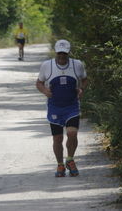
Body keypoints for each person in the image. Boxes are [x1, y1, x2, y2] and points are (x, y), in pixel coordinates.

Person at [36, 39, 88, 177]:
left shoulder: (77, 65)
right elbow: (39, 82)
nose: (61, 56)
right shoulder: (47, 66)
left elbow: (84, 79)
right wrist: (45, 91)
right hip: (55, 107)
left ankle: (70, 159)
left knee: (72, 134)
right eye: (59, 53)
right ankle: (60, 165)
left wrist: (81, 89)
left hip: (72, 106)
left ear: (68, 53)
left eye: (64, 54)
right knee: (57, 139)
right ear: (55, 52)